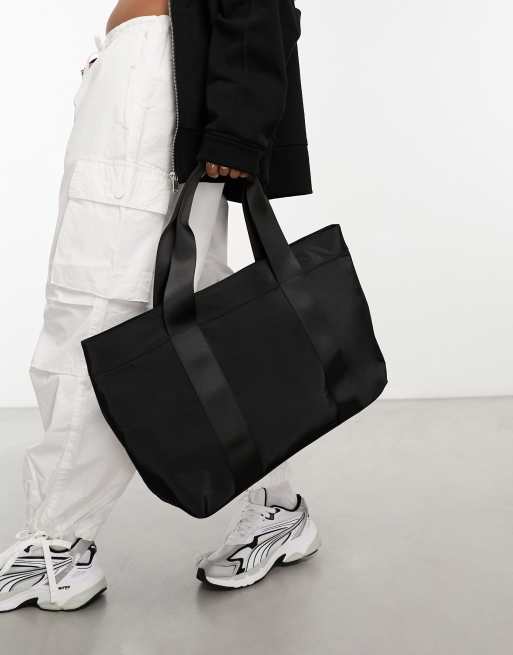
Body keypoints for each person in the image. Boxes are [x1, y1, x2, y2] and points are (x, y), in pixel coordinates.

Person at [0, 0, 319, 610]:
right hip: (137, 75)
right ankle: (279, 507)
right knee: (197, 318)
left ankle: (56, 544)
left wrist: (236, 125)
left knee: (101, 312)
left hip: (156, 82)